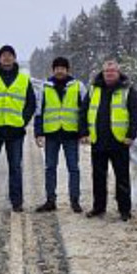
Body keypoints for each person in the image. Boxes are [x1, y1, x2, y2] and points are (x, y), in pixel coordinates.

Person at [0, 45, 36, 213]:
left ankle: (16, 202)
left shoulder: (24, 79)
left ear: (14, 58)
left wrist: (23, 120)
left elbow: (31, 103)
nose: (7, 58)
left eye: (10, 55)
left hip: (15, 131)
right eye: (4, 55)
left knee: (15, 167)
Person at [81, 60, 137, 221]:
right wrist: (84, 132)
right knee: (98, 177)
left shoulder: (127, 90)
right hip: (98, 140)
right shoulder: (94, 89)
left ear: (118, 73)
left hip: (119, 141)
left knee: (122, 177)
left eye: (112, 71)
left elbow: (136, 114)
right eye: (106, 71)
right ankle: (99, 208)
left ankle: (124, 210)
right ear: (103, 73)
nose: (109, 74)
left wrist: (131, 135)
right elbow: (84, 111)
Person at [34, 56, 88, 213]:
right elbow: (39, 112)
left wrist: (84, 132)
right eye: (57, 68)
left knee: (74, 169)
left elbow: (85, 111)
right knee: (50, 168)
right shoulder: (44, 88)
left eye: (62, 68)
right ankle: (50, 200)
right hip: (51, 134)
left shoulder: (78, 87)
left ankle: (75, 201)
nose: (59, 71)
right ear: (53, 70)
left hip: (71, 134)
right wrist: (38, 133)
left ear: (68, 70)